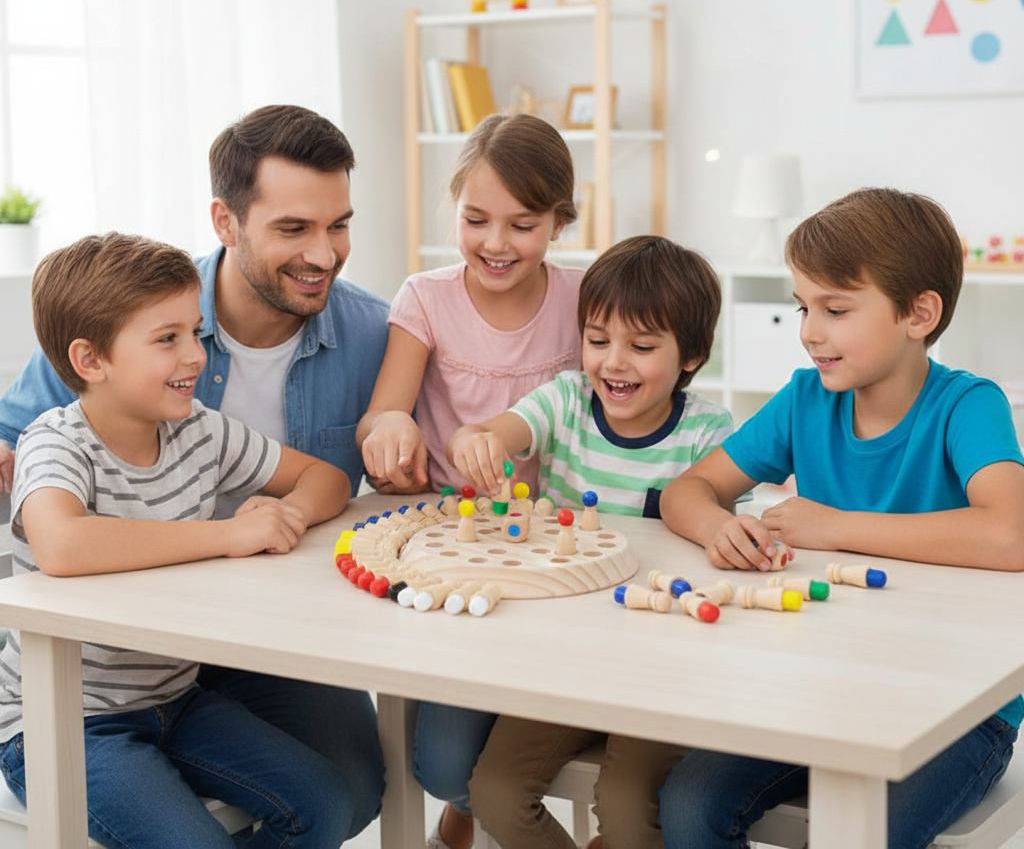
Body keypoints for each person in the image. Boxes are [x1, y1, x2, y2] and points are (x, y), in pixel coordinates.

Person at [0, 104, 388, 837]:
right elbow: (59, 536)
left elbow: (326, 480)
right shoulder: (103, 356)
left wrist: (283, 516)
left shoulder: (208, 420)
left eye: (338, 224)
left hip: (198, 671)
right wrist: (229, 535)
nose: (326, 253)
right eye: (294, 227)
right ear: (226, 222)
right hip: (81, 700)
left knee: (343, 794)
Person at [657, 188, 1024, 849]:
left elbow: (1010, 535)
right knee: (689, 804)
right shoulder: (805, 400)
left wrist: (834, 526)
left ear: (919, 314)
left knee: (857, 836)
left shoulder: (968, 405)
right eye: (804, 307)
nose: (809, 331)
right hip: (825, 688)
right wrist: (718, 528)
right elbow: (688, 490)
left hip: (960, 709)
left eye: (836, 309)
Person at [449, 235, 734, 849]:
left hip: (663, 668)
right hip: (565, 660)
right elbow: (494, 431)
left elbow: (717, 530)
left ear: (692, 354)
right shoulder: (567, 400)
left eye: (642, 346)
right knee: (495, 792)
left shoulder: (708, 433)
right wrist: (478, 440)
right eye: (598, 340)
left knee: (626, 811)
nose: (613, 363)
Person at [355, 113, 585, 849]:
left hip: (560, 557)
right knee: (442, 763)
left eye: (523, 224)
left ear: (559, 222)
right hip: (453, 554)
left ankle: (478, 815)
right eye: (475, 219)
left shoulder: (584, 298)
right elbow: (384, 412)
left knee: (518, 733)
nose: (496, 242)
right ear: (453, 207)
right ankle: (468, 808)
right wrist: (389, 430)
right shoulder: (426, 297)